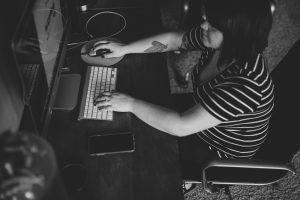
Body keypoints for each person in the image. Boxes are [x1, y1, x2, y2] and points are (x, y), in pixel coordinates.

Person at [92, 0, 274, 194]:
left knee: (143, 146)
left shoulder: (246, 86)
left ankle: (188, 179)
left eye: (211, 25)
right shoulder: (220, 43)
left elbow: (180, 126)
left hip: (218, 151)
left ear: (234, 34)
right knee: (140, 105)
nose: (203, 25)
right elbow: (174, 39)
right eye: (206, 20)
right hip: (203, 110)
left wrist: (129, 103)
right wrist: (124, 48)